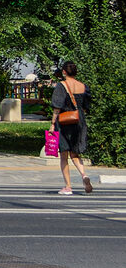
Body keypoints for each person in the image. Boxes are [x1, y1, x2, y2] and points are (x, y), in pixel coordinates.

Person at [52, 62, 93, 195]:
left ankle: (68, 187)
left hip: (64, 121)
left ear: (64, 72)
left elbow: (57, 107)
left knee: (64, 155)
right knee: (75, 153)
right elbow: (86, 106)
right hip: (79, 121)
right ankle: (84, 175)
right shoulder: (83, 86)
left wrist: (52, 123)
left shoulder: (61, 86)